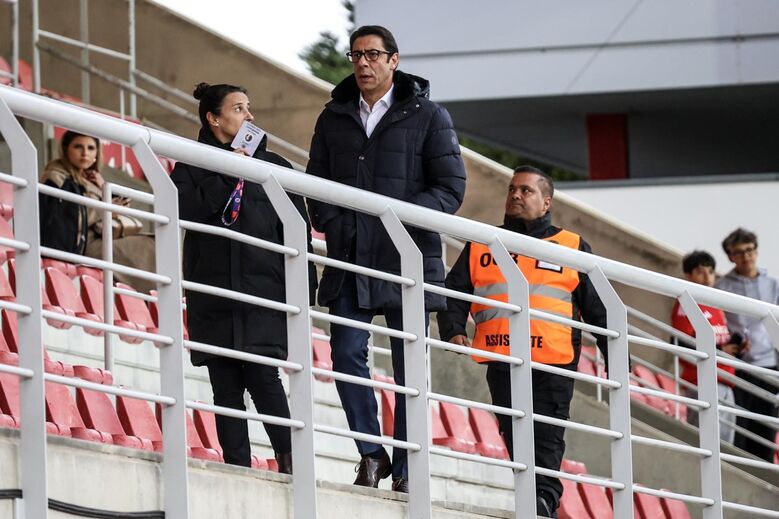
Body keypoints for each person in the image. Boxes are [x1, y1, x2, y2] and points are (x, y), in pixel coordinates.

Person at [305, 25, 467, 492]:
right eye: (356, 54)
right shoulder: (334, 116)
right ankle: (371, 454)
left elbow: (450, 189)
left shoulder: (430, 115)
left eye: (373, 54)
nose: (363, 63)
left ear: (394, 60)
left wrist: (397, 219)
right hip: (350, 256)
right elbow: (318, 183)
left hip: (407, 259)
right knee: (346, 353)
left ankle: (407, 467)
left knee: (407, 369)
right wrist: (335, 223)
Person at [437, 166, 609, 518]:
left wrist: (615, 355)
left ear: (546, 203)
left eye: (526, 191)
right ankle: (536, 501)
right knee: (516, 436)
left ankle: (543, 502)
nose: (515, 195)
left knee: (546, 435)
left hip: (553, 362)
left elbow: (599, 308)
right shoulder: (483, 242)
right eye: (512, 189)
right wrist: (453, 328)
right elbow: (454, 293)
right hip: (502, 359)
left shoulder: (573, 246)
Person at [171, 82, 317, 473]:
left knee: (263, 374)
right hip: (213, 291)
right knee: (225, 385)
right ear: (214, 118)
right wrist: (228, 169)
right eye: (238, 109)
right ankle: (236, 468)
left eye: (249, 108)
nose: (249, 116)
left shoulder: (277, 168)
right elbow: (185, 210)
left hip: (263, 290)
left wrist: (306, 286)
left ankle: (292, 463)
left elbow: (298, 231)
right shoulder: (192, 162)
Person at [39, 130, 156, 292]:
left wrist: (103, 186)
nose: (85, 153)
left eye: (91, 148)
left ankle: (153, 296)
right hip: (82, 243)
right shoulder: (56, 177)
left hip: (103, 236)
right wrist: (107, 210)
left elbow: (117, 203)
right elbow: (69, 217)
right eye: (78, 147)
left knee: (153, 242)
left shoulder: (91, 179)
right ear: (66, 150)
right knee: (148, 247)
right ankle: (152, 295)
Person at [715, 228, 779, 461]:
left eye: (750, 250)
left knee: (767, 426)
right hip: (739, 366)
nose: (746, 256)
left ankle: (764, 474)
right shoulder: (721, 287)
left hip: (768, 364)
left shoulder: (773, 285)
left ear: (757, 251)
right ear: (731, 256)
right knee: (740, 425)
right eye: (739, 252)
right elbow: (716, 324)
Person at [671, 250, 743, 443]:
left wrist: (736, 348)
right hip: (702, 380)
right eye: (701, 272)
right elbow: (682, 343)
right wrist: (720, 352)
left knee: (726, 445)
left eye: (711, 272)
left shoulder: (715, 304)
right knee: (706, 441)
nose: (707, 277)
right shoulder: (687, 304)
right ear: (688, 275)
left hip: (726, 380)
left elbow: (720, 340)